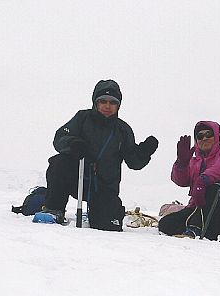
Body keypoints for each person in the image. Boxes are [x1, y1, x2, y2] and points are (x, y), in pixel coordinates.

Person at [42, 79, 158, 231]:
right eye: (103, 101)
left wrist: (143, 152)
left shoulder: (123, 130)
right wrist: (73, 144)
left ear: (118, 105)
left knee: (108, 226)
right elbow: (60, 138)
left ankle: (104, 212)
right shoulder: (82, 118)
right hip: (77, 180)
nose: (107, 106)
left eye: (112, 102)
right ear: (95, 102)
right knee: (59, 162)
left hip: (104, 187)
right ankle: (53, 209)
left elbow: (133, 162)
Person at [158, 121, 220, 240]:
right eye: (200, 136)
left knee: (213, 187)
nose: (204, 138)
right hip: (197, 209)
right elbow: (180, 181)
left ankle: (195, 229)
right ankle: (200, 228)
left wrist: (203, 180)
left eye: (209, 134)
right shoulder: (194, 161)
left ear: (216, 136)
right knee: (166, 224)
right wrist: (182, 163)